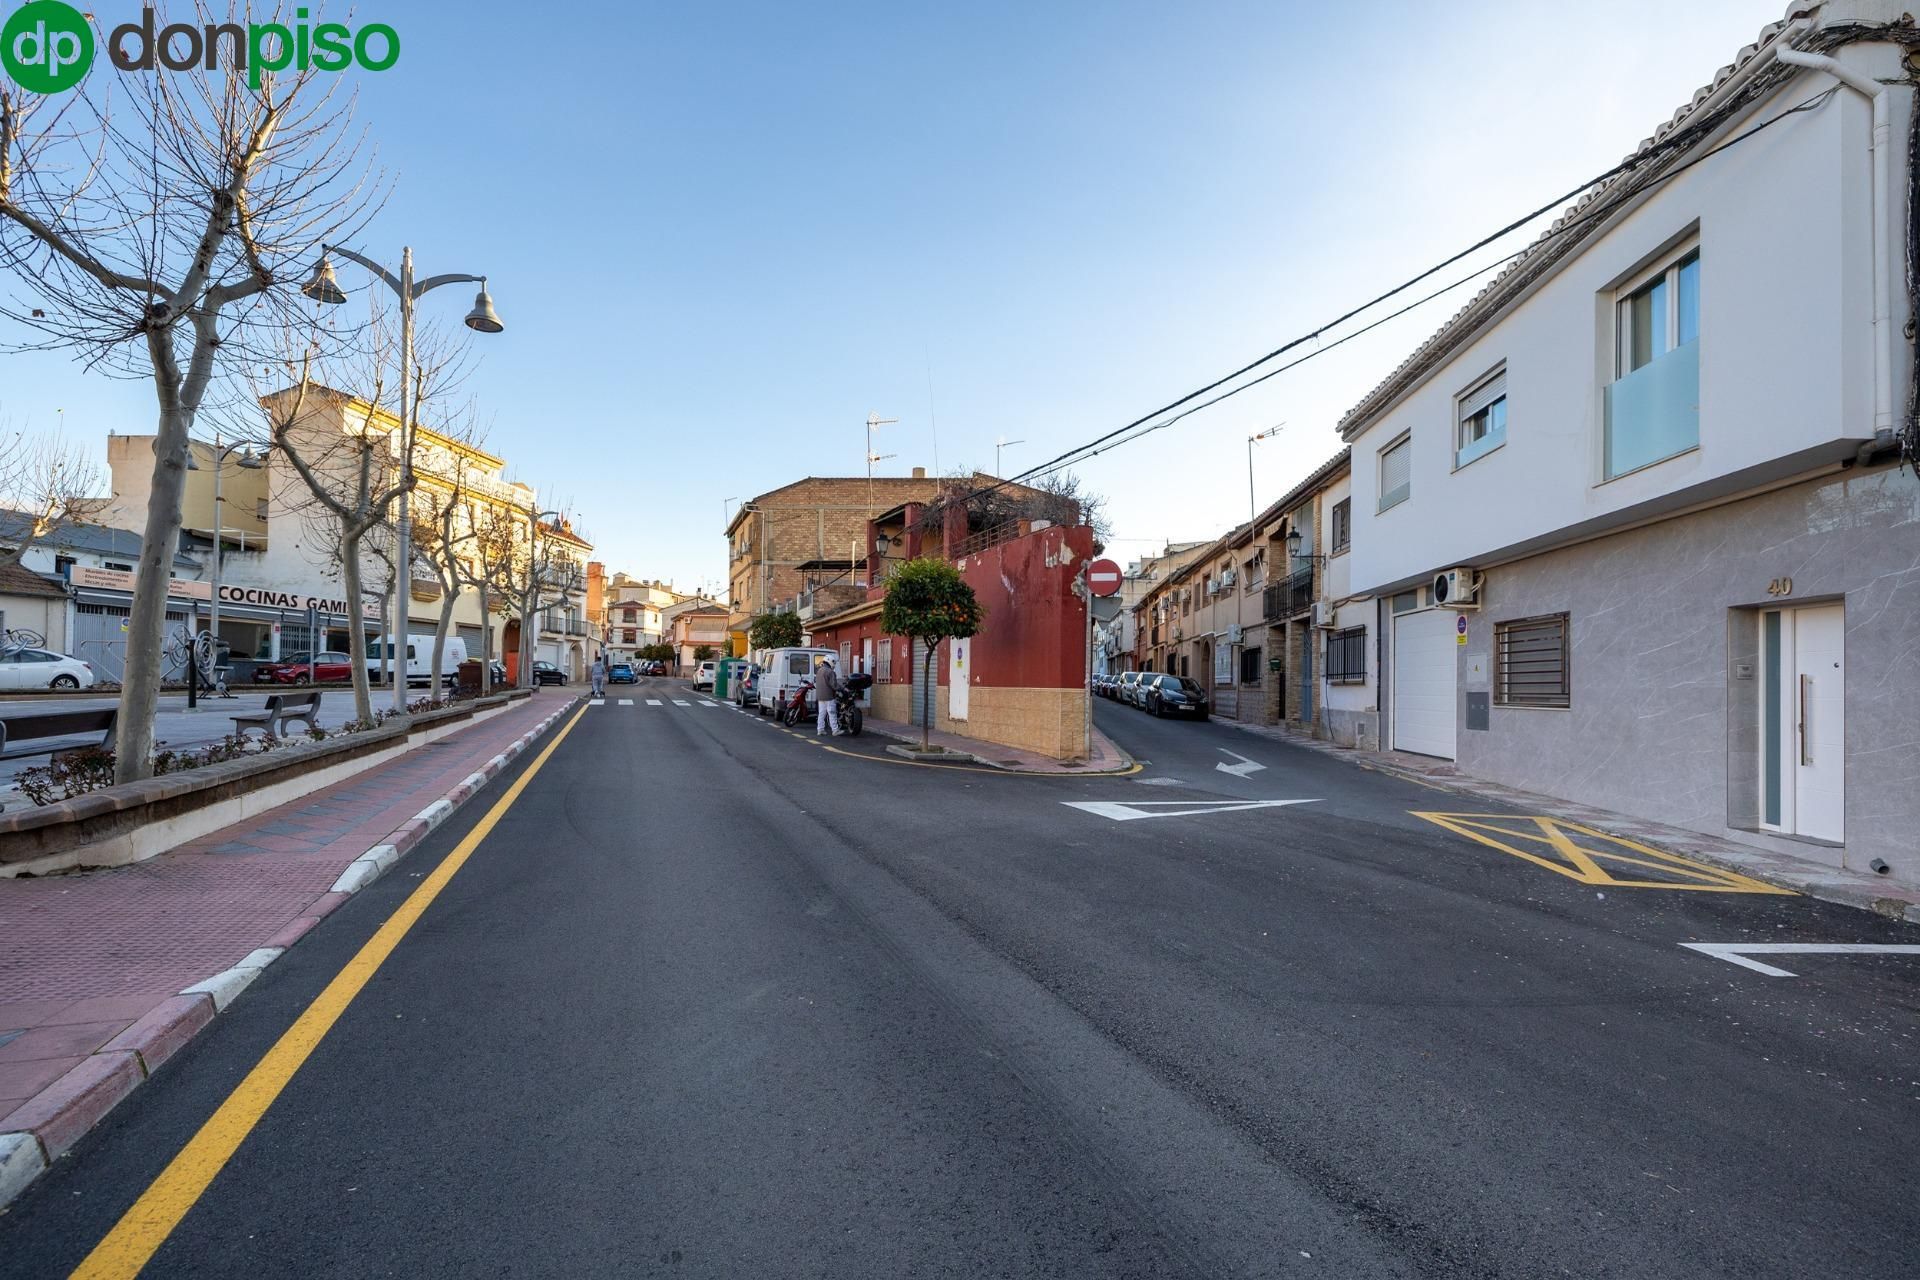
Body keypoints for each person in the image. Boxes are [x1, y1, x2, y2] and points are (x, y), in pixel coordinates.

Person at [814, 655, 842, 736]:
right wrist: (842, 689)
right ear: (829, 661)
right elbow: (834, 685)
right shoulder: (830, 672)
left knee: (821, 713)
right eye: (833, 662)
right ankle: (835, 730)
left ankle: (820, 729)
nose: (834, 664)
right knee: (832, 712)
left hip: (820, 696)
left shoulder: (819, 671)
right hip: (829, 696)